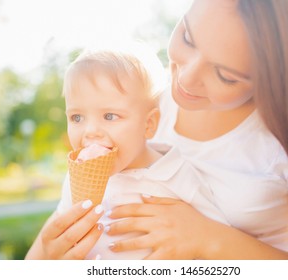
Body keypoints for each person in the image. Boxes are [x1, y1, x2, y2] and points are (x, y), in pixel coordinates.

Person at [27, 0, 288, 260]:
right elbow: (46, 248)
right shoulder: (137, 101)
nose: (184, 80)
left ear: (276, 74)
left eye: (226, 75)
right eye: (187, 36)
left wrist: (209, 240)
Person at [25, 43, 228, 260]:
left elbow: (214, 243)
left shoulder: (179, 176)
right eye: (77, 117)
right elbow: (56, 239)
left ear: (148, 124)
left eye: (110, 116)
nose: (90, 131)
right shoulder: (75, 181)